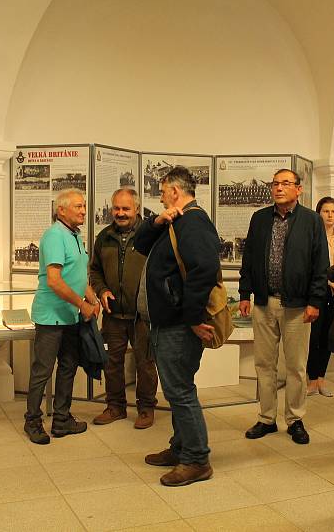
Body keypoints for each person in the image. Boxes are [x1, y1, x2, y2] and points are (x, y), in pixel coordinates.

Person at [136, 166, 220, 487]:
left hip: (177, 325)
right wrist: (156, 221)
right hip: (166, 322)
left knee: (180, 391)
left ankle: (197, 459)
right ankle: (181, 447)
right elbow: (140, 245)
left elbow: (204, 270)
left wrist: (194, 318)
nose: (160, 197)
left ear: (174, 190)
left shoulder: (195, 222)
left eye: (162, 191)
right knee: (176, 388)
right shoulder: (175, 221)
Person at [238, 169, 329, 445]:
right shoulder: (260, 219)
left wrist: (315, 301)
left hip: (298, 306)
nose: (278, 188)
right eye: (275, 184)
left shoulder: (312, 221)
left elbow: (320, 264)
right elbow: (249, 258)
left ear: (298, 189)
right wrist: (245, 293)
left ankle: (295, 419)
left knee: (296, 366)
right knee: (264, 364)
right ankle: (266, 418)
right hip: (265, 303)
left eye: (285, 184)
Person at [23, 189, 100, 445]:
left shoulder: (75, 235)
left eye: (84, 206)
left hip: (69, 315)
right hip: (50, 317)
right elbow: (55, 281)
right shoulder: (55, 235)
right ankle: (32, 421)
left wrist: (91, 297)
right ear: (61, 210)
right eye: (78, 206)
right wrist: (82, 304)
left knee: (68, 366)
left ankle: (61, 420)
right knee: (42, 371)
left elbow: (76, 274)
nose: (83, 210)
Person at [89, 188, 158, 429]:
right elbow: (94, 270)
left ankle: (146, 408)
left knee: (145, 363)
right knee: (112, 362)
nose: (120, 213)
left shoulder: (151, 235)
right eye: (116, 208)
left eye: (126, 209)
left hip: (143, 314)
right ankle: (115, 406)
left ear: (137, 209)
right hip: (113, 314)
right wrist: (101, 291)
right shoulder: (104, 236)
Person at [306, 197, 334, 397]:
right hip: (317, 292)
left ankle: (321, 380)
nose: (330, 215)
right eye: (326, 211)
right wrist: (331, 281)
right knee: (313, 338)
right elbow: (311, 267)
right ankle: (311, 380)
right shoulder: (312, 236)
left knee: (328, 337)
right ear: (318, 213)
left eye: (333, 211)